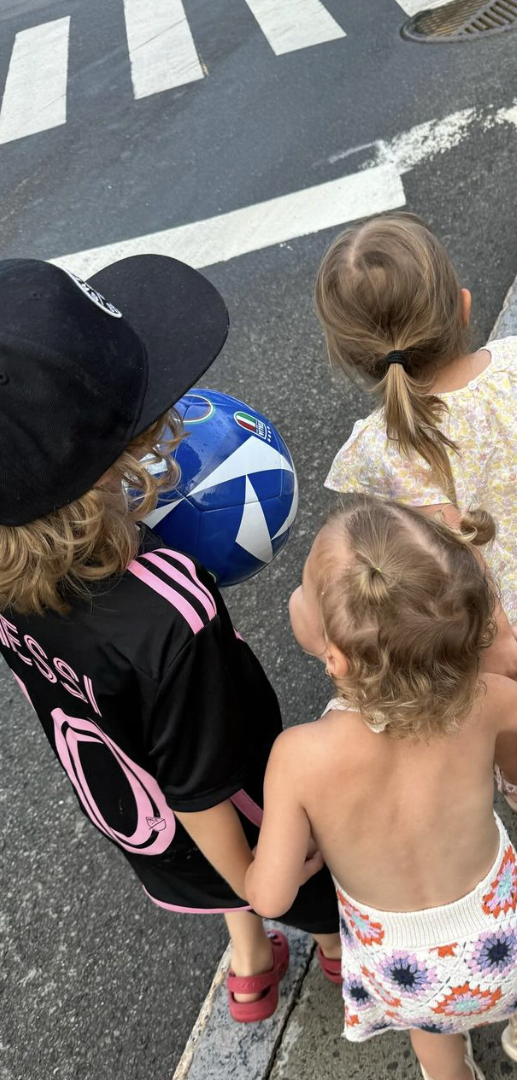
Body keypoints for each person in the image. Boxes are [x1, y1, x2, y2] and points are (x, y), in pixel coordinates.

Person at [0, 257, 340, 1023]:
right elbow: (205, 786)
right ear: (93, 478)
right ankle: (338, 950)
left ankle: (249, 963)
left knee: (220, 861)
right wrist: (262, 878)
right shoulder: (171, 607)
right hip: (234, 812)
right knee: (302, 886)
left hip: (136, 812)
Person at [246, 497, 517, 1080]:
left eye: (303, 591)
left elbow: (271, 895)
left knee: (431, 1027)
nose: (296, 598)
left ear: (335, 657)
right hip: (505, 938)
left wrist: (291, 861)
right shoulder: (483, 699)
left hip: (403, 972)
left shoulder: (298, 756)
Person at [314, 213, 517, 822]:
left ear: (354, 357)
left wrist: (496, 627)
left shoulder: (379, 445)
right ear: (462, 307)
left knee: (492, 699)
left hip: (466, 620)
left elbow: (399, 537)